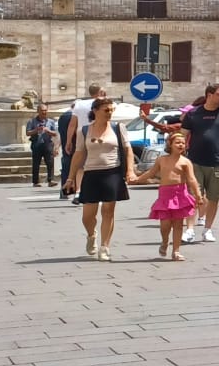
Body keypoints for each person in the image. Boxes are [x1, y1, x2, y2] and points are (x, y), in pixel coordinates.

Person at [65, 100, 137, 260]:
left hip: (112, 172)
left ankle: (105, 247)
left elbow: (128, 150)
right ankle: (91, 235)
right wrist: (70, 177)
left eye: (111, 110)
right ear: (95, 111)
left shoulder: (118, 128)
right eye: (106, 110)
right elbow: (78, 154)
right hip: (91, 174)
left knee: (108, 211)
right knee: (87, 216)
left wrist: (130, 170)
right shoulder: (84, 130)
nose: (109, 113)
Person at [178, 83, 219, 244]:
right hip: (195, 162)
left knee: (213, 198)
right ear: (209, 95)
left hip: (218, 162)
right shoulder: (193, 114)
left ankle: (207, 229)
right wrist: (179, 155)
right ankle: (189, 230)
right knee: (193, 196)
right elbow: (182, 135)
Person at [132, 131, 204, 261]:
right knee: (165, 225)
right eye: (177, 142)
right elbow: (151, 173)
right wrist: (137, 179)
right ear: (170, 144)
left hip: (180, 195)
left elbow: (192, 179)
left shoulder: (185, 162)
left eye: (183, 143)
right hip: (165, 195)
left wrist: (198, 195)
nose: (180, 145)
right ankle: (165, 241)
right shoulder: (162, 160)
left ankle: (176, 251)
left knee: (178, 224)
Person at [66, 84, 106, 208]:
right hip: (97, 134)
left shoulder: (79, 104)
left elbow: (72, 124)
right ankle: (97, 192)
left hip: (81, 134)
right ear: (99, 92)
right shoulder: (102, 103)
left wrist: (68, 141)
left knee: (80, 165)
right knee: (98, 164)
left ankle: (78, 192)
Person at [27, 104, 59, 188]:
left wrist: (48, 131)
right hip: (36, 144)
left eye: (45, 110)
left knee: (50, 162)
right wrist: (36, 130)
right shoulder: (32, 121)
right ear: (38, 111)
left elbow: (55, 133)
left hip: (47, 143)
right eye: (42, 110)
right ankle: (35, 182)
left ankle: (51, 180)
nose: (44, 112)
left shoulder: (51, 121)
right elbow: (27, 133)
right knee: (36, 163)